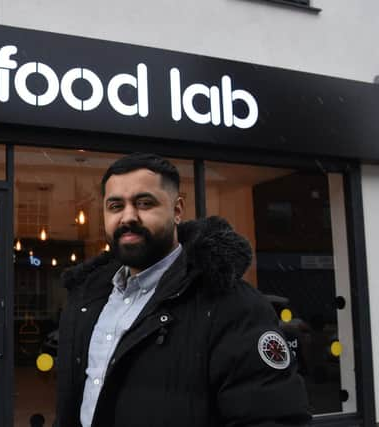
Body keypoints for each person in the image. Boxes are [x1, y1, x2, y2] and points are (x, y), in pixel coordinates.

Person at [55, 153, 311, 427]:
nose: (128, 217)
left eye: (144, 203)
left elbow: (270, 418)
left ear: (177, 210)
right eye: (115, 206)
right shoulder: (86, 300)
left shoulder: (233, 305)